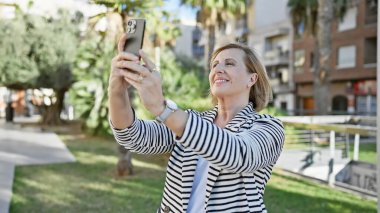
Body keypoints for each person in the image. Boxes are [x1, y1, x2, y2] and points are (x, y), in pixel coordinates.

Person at [108, 34, 285, 213]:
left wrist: (161, 107)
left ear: (252, 79)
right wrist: (116, 88)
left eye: (229, 63)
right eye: (214, 65)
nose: (218, 69)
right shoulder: (191, 122)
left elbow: (239, 154)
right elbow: (132, 136)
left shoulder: (269, 127)